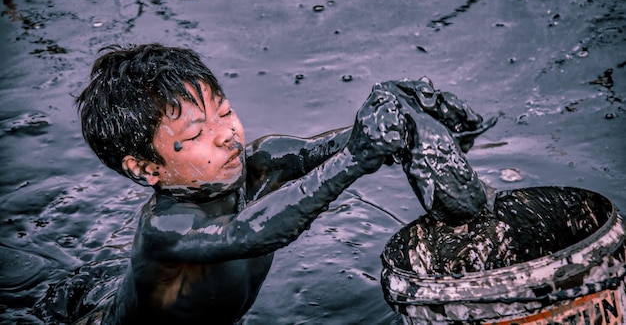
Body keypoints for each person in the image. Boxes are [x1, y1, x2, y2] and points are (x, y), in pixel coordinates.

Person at [74, 43, 493, 325]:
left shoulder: (260, 164)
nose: (226, 134)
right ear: (147, 169)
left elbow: (331, 146)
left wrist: (405, 110)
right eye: (198, 132)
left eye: (224, 111)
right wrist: (356, 159)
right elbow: (248, 231)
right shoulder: (166, 228)